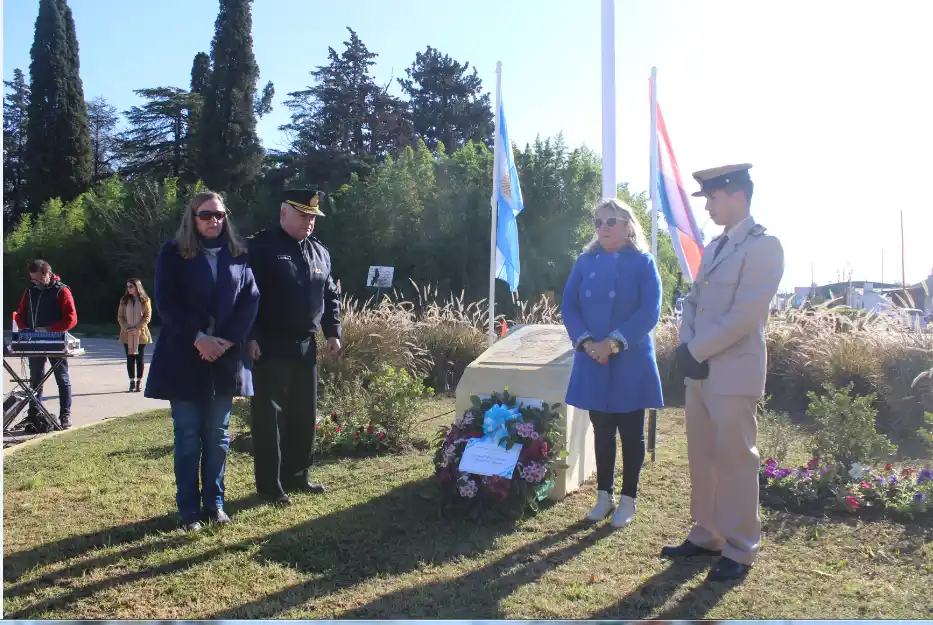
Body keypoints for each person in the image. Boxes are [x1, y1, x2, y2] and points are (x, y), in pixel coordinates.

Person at [662, 163, 784, 583]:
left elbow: (745, 315)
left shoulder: (764, 246)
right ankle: (707, 533)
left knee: (735, 461)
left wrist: (695, 348)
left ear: (737, 194)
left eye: (713, 198)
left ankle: (741, 547)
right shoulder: (713, 249)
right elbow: (692, 302)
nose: (709, 206)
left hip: (733, 372)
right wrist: (685, 344)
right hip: (701, 371)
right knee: (703, 457)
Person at [145, 190, 260, 531]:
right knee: (189, 436)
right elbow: (166, 303)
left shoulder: (238, 255)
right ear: (192, 218)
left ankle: (216, 504)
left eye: (220, 215)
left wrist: (223, 341)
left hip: (224, 358)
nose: (215, 220)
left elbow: (250, 300)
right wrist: (199, 338)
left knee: (219, 435)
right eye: (207, 214)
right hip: (185, 355)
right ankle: (188, 511)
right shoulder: (173, 253)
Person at [561, 198, 664, 528]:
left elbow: (650, 311)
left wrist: (614, 342)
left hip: (629, 359)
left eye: (611, 221)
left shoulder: (643, 263)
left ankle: (628, 498)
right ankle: (603, 496)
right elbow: (569, 306)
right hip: (593, 359)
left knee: (631, 433)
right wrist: (589, 343)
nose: (603, 228)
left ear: (628, 225)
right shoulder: (584, 262)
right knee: (601, 430)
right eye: (598, 222)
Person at [247, 189, 342, 506]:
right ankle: (270, 486)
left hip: (305, 344)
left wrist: (333, 331)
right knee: (269, 417)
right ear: (283, 213)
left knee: (304, 414)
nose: (309, 222)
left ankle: (298, 475)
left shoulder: (320, 252)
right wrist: (251, 334)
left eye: (313, 217)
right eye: (303, 215)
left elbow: (330, 295)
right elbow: (246, 295)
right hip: (270, 343)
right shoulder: (261, 247)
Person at [13, 259, 78, 431]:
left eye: (39, 279)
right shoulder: (30, 291)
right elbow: (19, 314)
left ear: (48, 274)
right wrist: (25, 329)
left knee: (61, 378)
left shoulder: (62, 291)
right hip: (34, 341)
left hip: (56, 341)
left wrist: (50, 329)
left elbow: (71, 319)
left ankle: (65, 414)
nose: (36, 283)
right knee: (36, 380)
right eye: (33, 279)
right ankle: (34, 415)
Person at [117, 278, 153, 392]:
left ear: (137, 287)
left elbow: (147, 316)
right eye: (127, 287)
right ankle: (132, 381)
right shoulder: (124, 300)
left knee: (139, 358)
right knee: (130, 358)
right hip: (127, 333)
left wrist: (137, 327)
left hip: (140, 333)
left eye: (131, 287)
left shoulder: (145, 300)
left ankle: (139, 382)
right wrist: (126, 327)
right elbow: (120, 316)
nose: (129, 289)